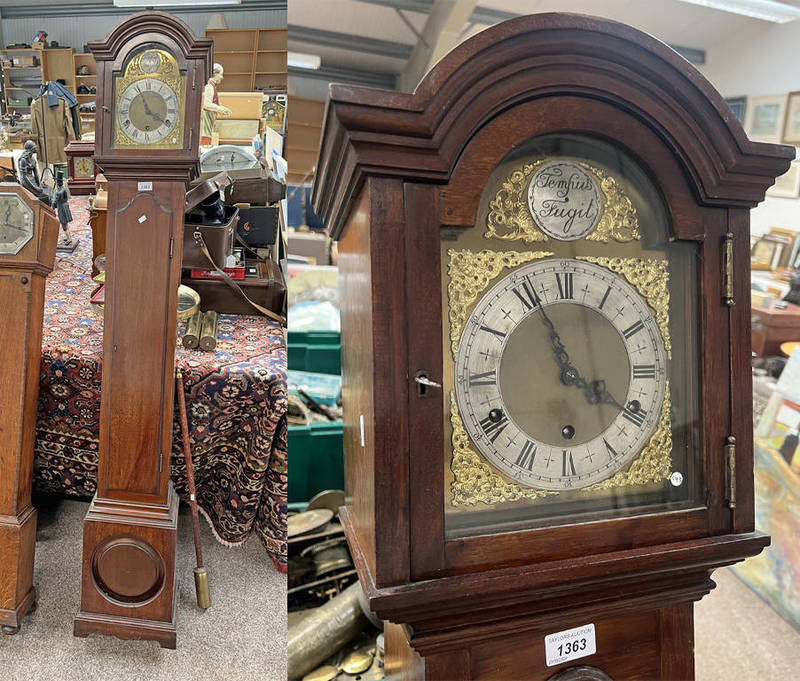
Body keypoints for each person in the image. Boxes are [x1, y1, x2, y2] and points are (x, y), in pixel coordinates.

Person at [200, 63, 232, 147]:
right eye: (221, 74)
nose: (222, 77)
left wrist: (221, 108)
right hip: (208, 114)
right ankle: (205, 146)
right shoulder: (209, 86)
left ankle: (207, 145)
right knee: (206, 131)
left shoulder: (212, 86)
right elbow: (206, 104)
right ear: (215, 74)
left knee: (209, 131)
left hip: (211, 115)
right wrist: (219, 109)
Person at [51, 171, 73, 246]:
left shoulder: (58, 192)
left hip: (61, 208)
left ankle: (69, 239)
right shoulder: (65, 189)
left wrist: (52, 208)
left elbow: (54, 201)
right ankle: (68, 237)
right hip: (65, 206)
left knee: (64, 224)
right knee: (65, 223)